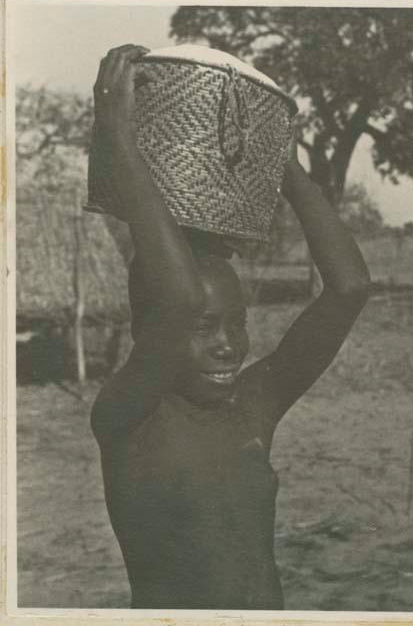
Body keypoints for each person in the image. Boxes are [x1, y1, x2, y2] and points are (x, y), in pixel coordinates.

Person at [91, 44, 371, 610]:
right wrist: (119, 136)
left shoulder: (252, 405)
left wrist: (283, 168)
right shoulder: (128, 417)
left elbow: (348, 289)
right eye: (204, 328)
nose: (228, 347)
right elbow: (176, 299)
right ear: (153, 331)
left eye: (237, 324)